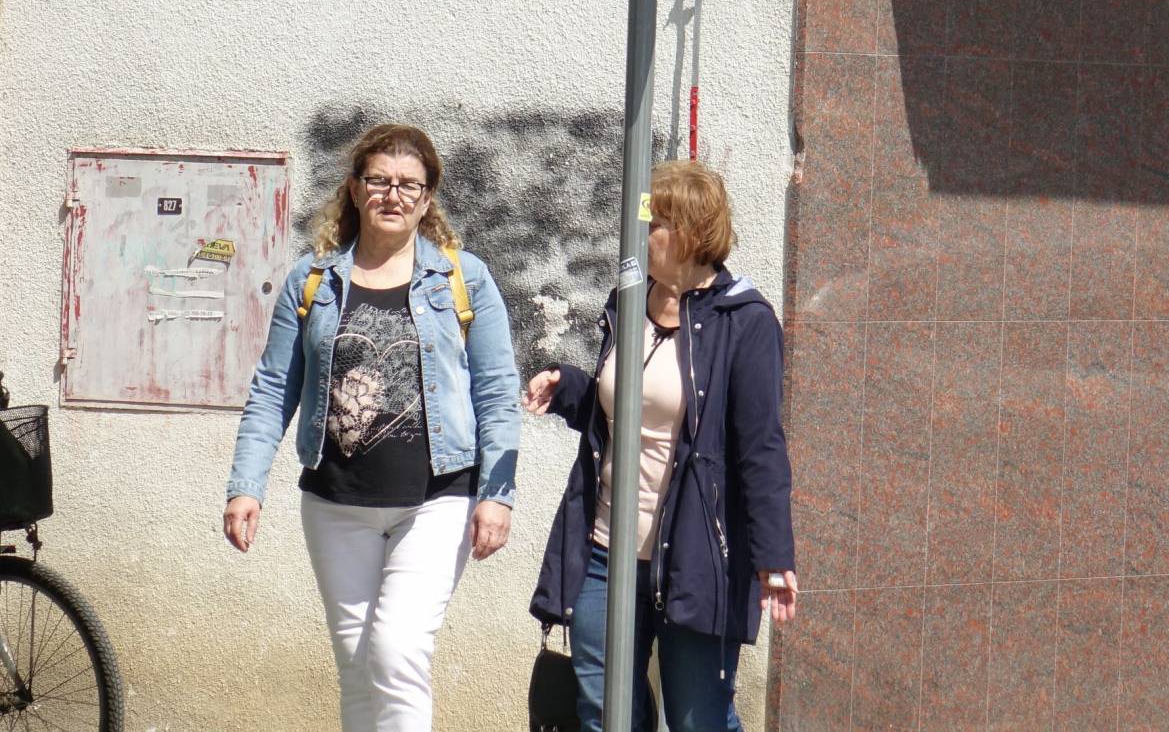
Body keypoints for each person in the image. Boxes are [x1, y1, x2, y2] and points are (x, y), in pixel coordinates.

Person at [223, 124, 520, 732]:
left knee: (397, 652)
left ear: (428, 198)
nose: (394, 194)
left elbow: (496, 392)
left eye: (410, 184)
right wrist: (246, 485)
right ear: (356, 190)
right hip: (336, 503)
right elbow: (274, 388)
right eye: (379, 180)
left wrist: (497, 495)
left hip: (436, 499)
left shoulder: (464, 279)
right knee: (358, 667)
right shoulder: (313, 281)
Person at [525, 160, 797, 732]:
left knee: (698, 722)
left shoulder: (744, 321)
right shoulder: (627, 301)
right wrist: (568, 387)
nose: (637, 234)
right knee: (606, 715)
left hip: (694, 560)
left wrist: (773, 557)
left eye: (652, 223)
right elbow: (627, 411)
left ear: (691, 233)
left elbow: (761, 449)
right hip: (605, 550)